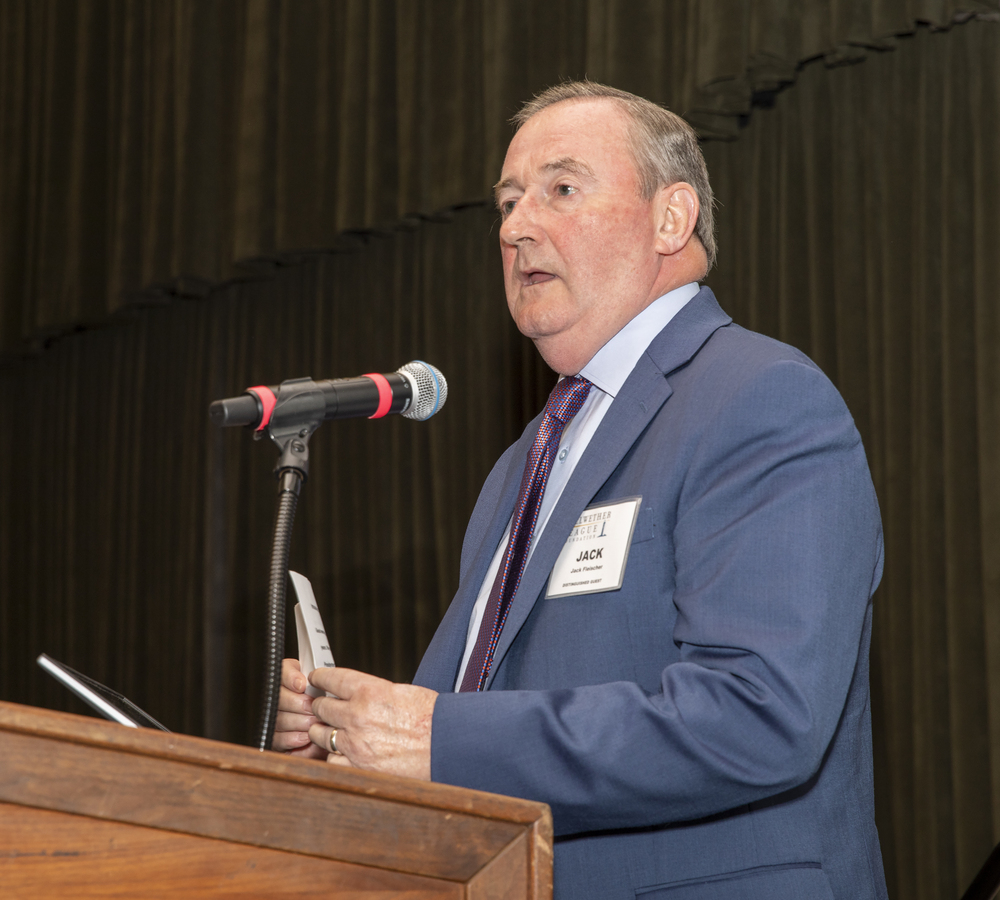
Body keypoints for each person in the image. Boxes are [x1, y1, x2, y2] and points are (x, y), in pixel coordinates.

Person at [275, 81, 888, 900]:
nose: (516, 226)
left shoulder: (759, 395)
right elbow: (473, 717)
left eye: (561, 189)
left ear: (671, 219)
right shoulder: (522, 464)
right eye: (508, 201)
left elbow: (761, 713)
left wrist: (435, 738)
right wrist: (345, 737)